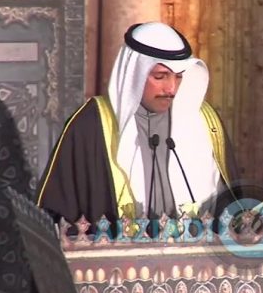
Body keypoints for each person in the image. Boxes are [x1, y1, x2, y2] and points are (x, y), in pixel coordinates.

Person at [37, 21, 239, 227]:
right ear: (134, 73)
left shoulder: (205, 122)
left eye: (178, 77)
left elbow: (230, 206)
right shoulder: (91, 125)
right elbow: (56, 218)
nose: (171, 88)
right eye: (160, 76)